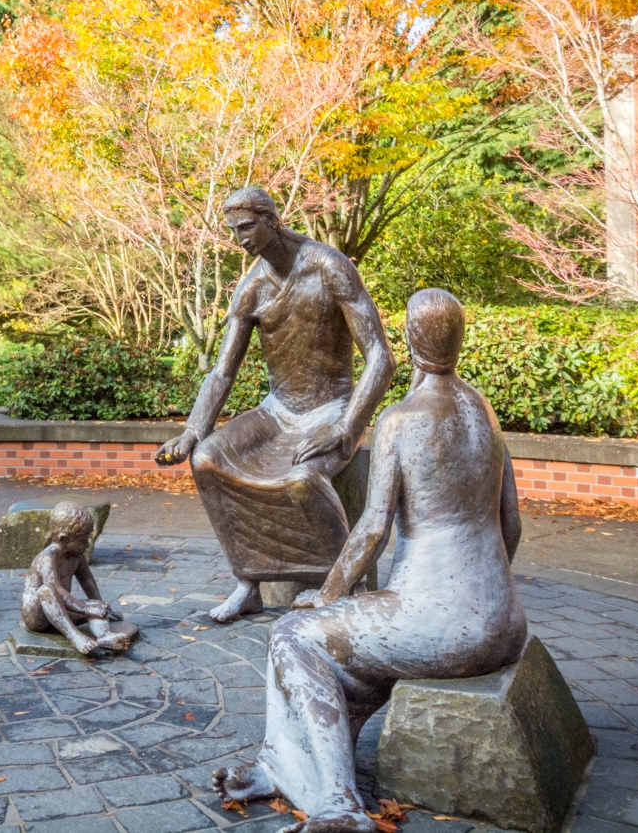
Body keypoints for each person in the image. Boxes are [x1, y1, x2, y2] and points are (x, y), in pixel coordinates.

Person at [213, 288, 528, 832]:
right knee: (351, 659)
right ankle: (278, 765)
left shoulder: (401, 421)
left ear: (408, 340)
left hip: (442, 623)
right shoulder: (483, 412)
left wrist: (329, 594)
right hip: (503, 619)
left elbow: (373, 527)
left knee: (294, 635)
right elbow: (512, 524)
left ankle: (339, 804)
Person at [155, 187, 393, 623]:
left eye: (246, 227)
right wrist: (192, 430)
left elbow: (381, 357)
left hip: (331, 409)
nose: (240, 238)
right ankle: (248, 583)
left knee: (302, 478)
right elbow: (223, 372)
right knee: (207, 458)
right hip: (278, 411)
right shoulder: (251, 288)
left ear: (271, 219)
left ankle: (345, 580)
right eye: (233, 230)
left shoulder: (328, 267)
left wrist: (347, 425)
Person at [20, 502, 134, 657]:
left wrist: (103, 609)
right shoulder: (47, 558)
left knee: (97, 605)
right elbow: (57, 591)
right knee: (47, 590)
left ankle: (103, 636)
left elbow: (87, 581)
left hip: (61, 612)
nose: (86, 545)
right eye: (83, 541)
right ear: (64, 538)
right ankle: (75, 636)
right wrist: (85, 608)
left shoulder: (77, 556)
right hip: (37, 616)